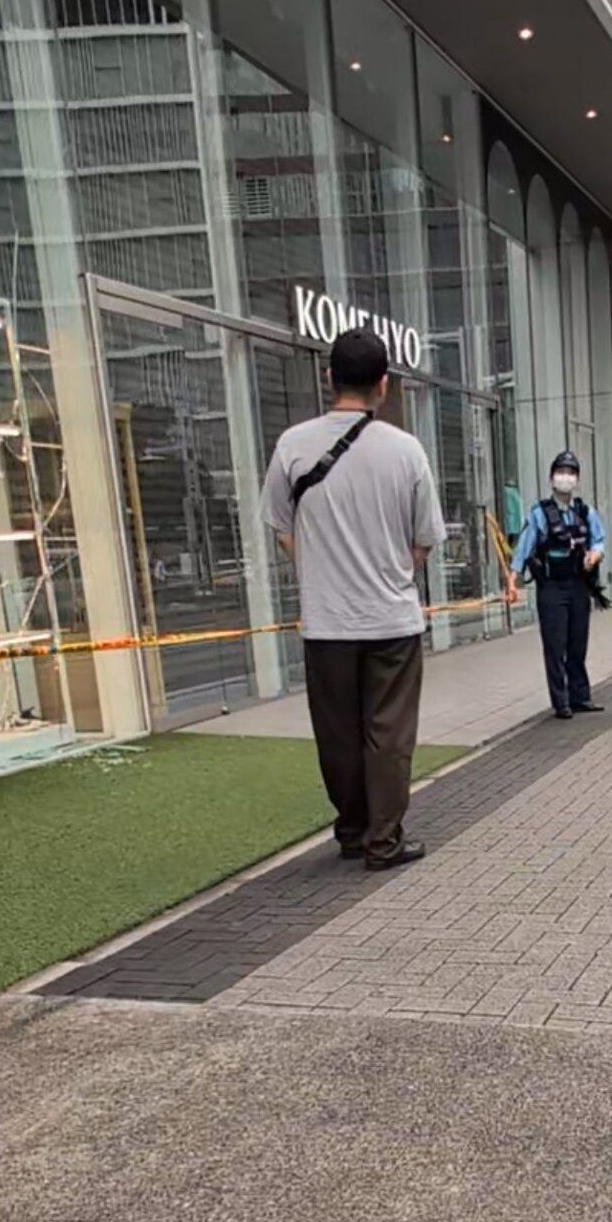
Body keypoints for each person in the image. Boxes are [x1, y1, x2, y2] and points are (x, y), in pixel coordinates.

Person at [261, 327, 446, 871]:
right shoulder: (406, 451)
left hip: (327, 622)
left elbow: (280, 526)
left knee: (338, 732)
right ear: (383, 384)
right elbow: (425, 539)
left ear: (329, 378)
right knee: (389, 734)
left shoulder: (292, 445)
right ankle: (383, 841)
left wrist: (320, 568)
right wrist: (394, 570)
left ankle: (351, 829)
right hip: (392, 619)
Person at [507, 451, 607, 720]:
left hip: (578, 585)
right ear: (552, 478)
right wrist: (513, 580)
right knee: (555, 645)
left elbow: (599, 540)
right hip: (551, 587)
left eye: (571, 472)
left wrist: (595, 554)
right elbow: (524, 548)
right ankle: (560, 701)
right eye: (561, 472)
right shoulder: (539, 513)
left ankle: (580, 697)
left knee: (577, 643)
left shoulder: (585, 511)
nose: (566, 477)